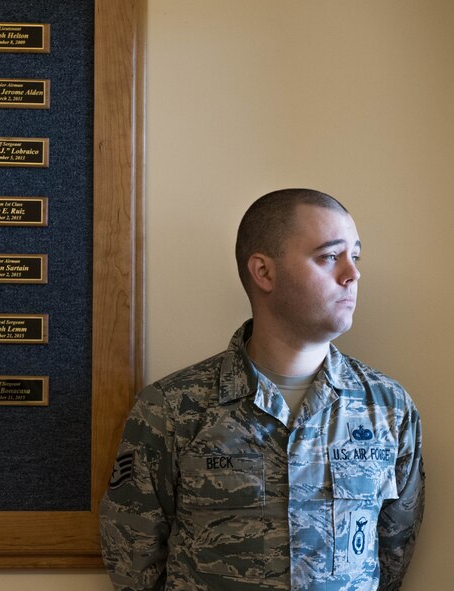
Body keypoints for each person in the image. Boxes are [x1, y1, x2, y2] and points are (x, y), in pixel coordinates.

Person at [99, 189, 424, 591]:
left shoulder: (388, 408)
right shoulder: (172, 408)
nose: (352, 274)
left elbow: (393, 553)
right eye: (329, 257)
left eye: (354, 256)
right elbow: (133, 559)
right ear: (264, 272)